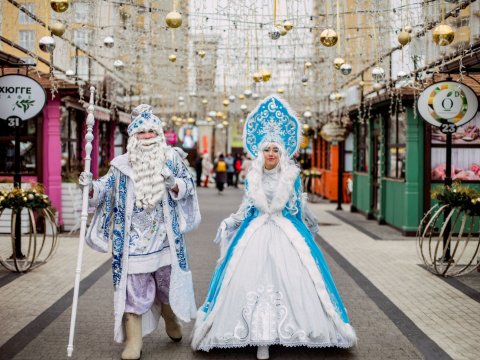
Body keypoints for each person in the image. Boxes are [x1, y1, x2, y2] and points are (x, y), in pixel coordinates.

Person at [191, 96, 356, 359]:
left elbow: (299, 208)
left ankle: (300, 329)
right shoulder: (252, 177)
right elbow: (246, 207)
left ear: (282, 153)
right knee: (250, 279)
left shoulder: (292, 177)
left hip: (286, 232)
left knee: (298, 280)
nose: (270, 154)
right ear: (260, 152)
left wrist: (311, 225)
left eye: (275, 150)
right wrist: (230, 222)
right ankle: (260, 336)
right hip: (255, 232)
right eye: (267, 149)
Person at [79, 104, 200, 360]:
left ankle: (171, 319)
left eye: (151, 131)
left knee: (166, 286)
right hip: (133, 244)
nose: (146, 136)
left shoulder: (172, 159)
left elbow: (188, 186)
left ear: (158, 134)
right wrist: (90, 187)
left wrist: (174, 183)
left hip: (166, 240)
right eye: (141, 132)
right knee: (132, 290)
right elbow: (105, 189)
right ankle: (134, 341)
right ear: (133, 137)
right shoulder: (121, 166)